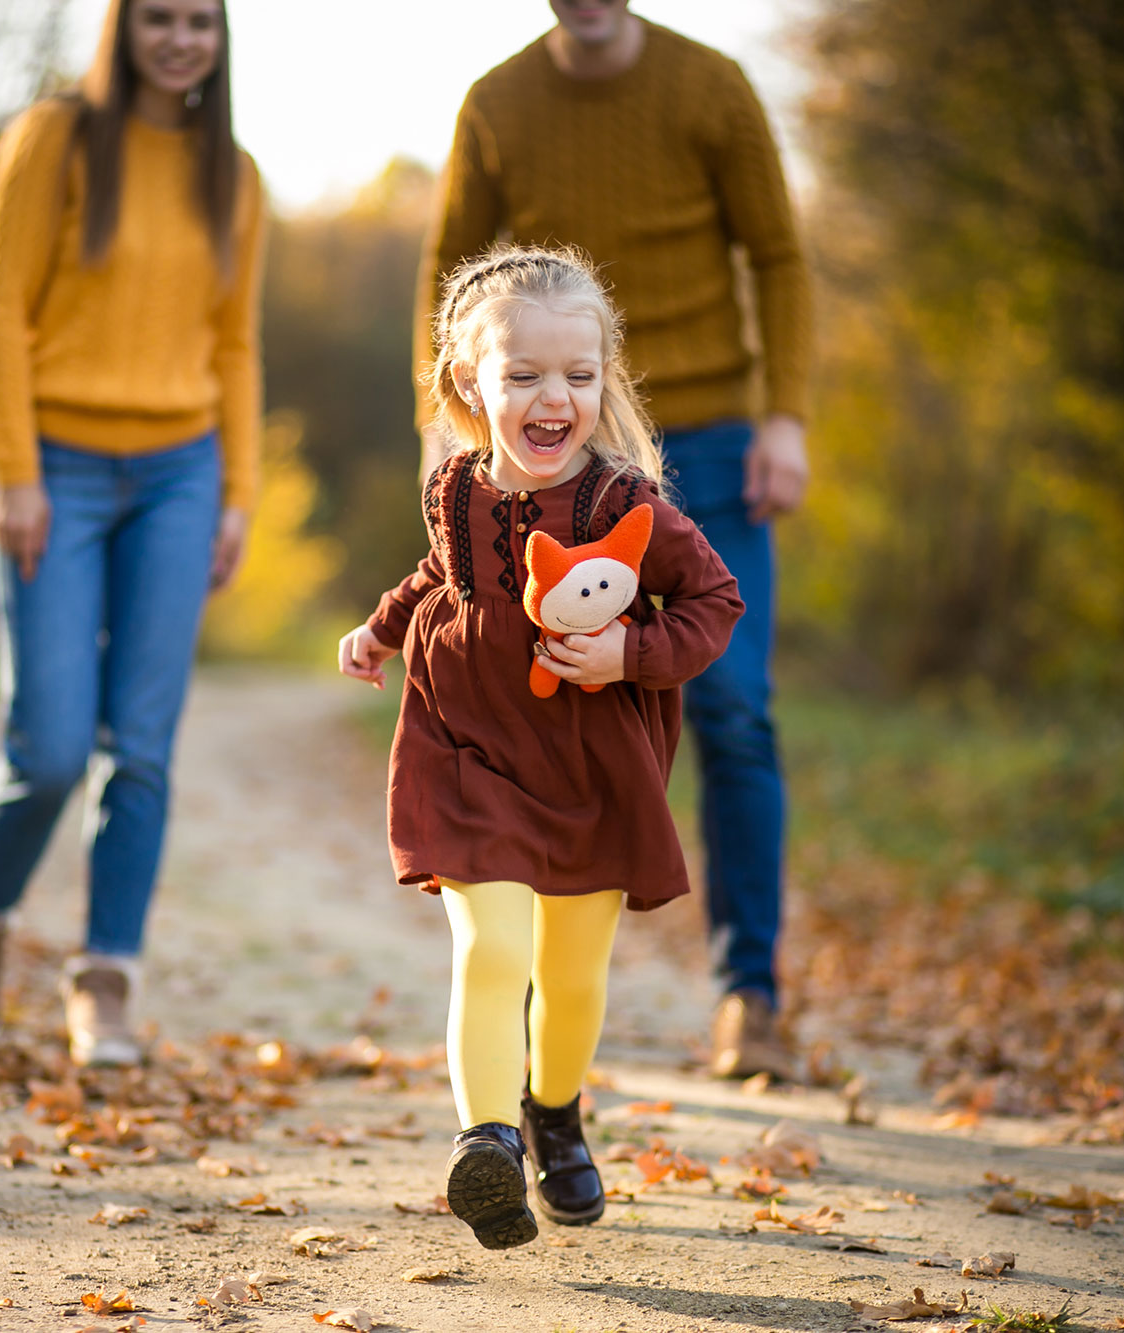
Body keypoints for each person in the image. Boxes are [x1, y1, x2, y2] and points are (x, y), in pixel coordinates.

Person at [415, 0, 815, 1081]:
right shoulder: (494, 104)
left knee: (732, 709)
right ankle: (535, 968)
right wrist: (440, 429)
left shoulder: (711, 86)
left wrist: (783, 416)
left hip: (712, 432)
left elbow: (774, 256)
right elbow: (449, 267)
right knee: (538, 687)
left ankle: (748, 997)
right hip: (552, 436)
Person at [341, 246, 742, 1249]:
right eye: (520, 375)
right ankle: (485, 1142)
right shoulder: (454, 491)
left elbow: (714, 602)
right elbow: (439, 575)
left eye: (576, 373)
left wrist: (630, 651)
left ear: (603, 381)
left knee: (568, 975)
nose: (550, 397)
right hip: (467, 747)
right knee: (493, 947)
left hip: (589, 766)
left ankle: (551, 1111)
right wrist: (381, 630)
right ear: (466, 386)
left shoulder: (626, 507)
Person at [0, 0, 264, 1067]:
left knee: (144, 748)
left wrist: (238, 492)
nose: (180, 39)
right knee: (50, 744)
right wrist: (15, 470)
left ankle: (105, 982)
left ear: (220, 38)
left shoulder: (236, 175)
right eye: (158, 19)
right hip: (58, 474)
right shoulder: (52, 139)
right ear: (120, 28)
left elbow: (237, 345)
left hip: (179, 472)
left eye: (200, 22)